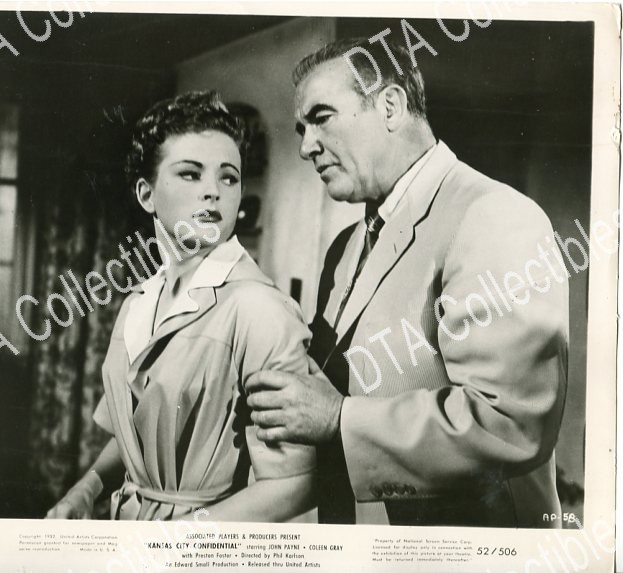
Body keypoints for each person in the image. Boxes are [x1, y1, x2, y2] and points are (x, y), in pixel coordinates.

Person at [245, 38, 569, 528]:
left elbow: (509, 425)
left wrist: (337, 419)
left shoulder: (494, 215)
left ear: (391, 106)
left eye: (321, 118)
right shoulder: (346, 246)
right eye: (301, 129)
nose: (306, 146)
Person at [46, 91, 315, 521]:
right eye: (191, 174)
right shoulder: (137, 304)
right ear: (146, 194)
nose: (213, 192)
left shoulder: (259, 309)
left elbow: (294, 483)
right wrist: (87, 488)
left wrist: (176, 542)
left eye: (229, 178)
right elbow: (139, 435)